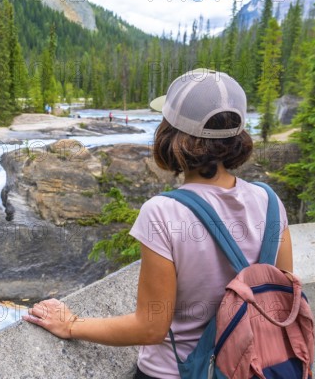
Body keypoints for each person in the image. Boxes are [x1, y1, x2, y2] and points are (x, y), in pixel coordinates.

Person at [22, 69, 292, 379]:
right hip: (252, 366)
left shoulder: (163, 212)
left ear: (173, 137)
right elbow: (281, 295)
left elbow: (150, 327)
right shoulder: (269, 201)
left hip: (178, 372)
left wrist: (71, 325)